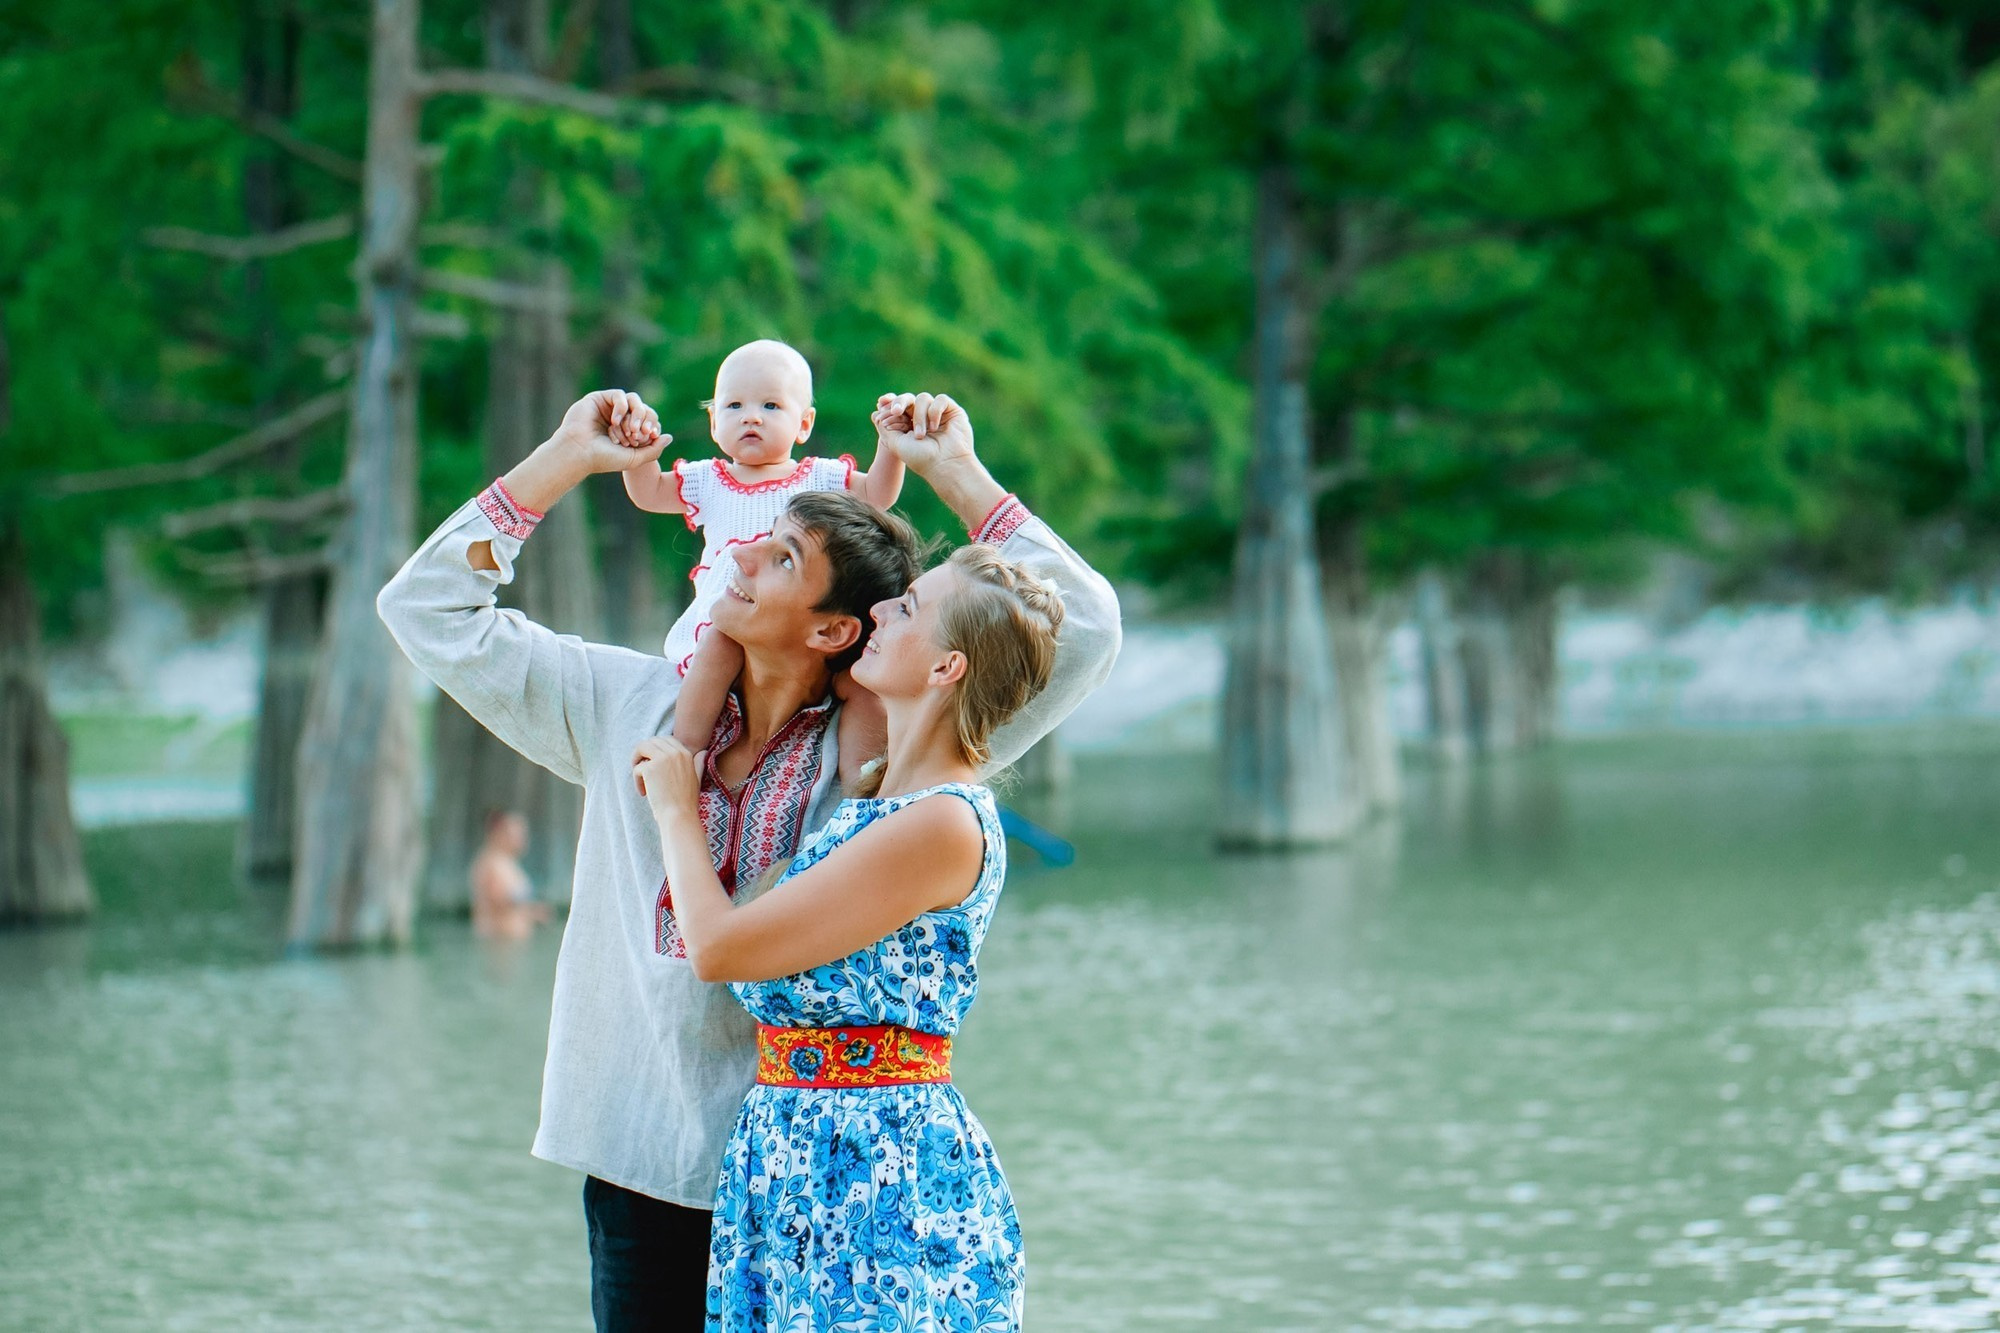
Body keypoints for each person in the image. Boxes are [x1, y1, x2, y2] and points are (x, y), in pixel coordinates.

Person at [376, 385, 1120, 1330]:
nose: (733, 552)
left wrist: (954, 471)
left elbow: (1080, 630)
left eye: (779, 554)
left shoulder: (890, 755)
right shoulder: (624, 707)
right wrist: (563, 457)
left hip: (820, 1181)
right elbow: (425, 609)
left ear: (836, 629)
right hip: (639, 1153)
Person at [631, 543, 1063, 1330]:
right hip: (793, 1159)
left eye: (907, 609)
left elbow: (719, 948)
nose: (879, 612)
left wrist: (672, 808)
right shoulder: (874, 797)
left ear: (945, 669)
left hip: (877, 1174)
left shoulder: (941, 819)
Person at [620, 339, 905, 760]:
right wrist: (638, 455)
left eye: (771, 406)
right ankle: (686, 749)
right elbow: (649, 492)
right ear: (714, 422)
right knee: (717, 649)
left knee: (858, 684)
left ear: (804, 424)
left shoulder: (819, 477)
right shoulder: (710, 480)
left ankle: (864, 780)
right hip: (737, 609)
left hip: (803, 619)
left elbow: (877, 495)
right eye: (734, 406)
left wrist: (890, 446)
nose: (751, 416)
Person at [469, 810, 551, 940]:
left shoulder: (508, 863)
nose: (524, 839)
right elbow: (499, 901)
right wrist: (534, 912)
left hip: (511, 942)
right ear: (501, 833)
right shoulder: (492, 862)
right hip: (498, 941)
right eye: (518, 834)